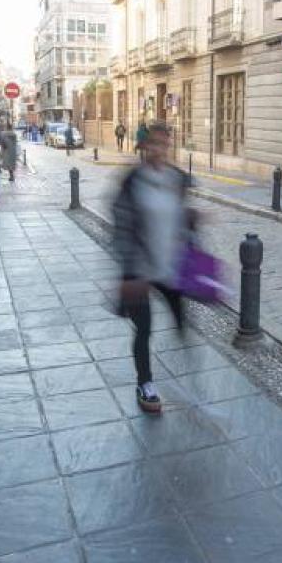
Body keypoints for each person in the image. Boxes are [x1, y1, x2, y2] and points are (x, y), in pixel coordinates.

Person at [111, 122, 191, 413]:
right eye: (153, 144)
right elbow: (121, 229)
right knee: (143, 329)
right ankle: (145, 382)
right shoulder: (131, 181)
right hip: (140, 269)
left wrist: (192, 221)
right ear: (143, 147)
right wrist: (130, 269)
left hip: (170, 264)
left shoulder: (176, 179)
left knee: (182, 320)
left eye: (164, 144)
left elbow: (180, 217)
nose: (159, 150)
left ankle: (186, 366)